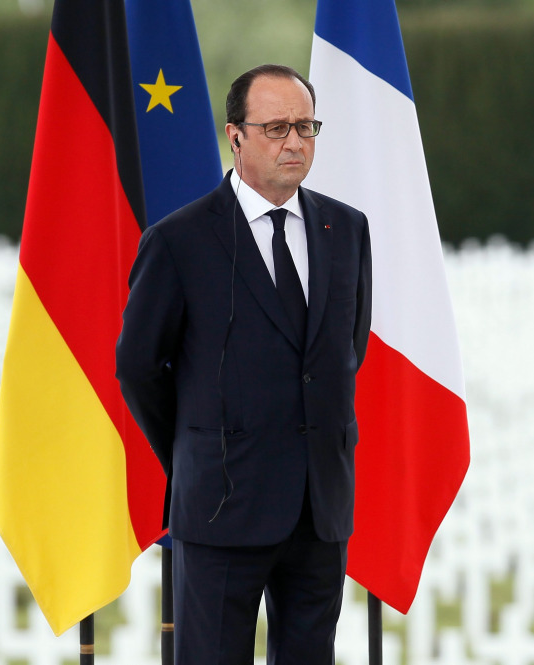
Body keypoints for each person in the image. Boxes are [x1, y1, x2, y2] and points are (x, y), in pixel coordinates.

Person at [116, 64, 372, 665]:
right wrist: (196, 445)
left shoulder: (347, 229)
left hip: (320, 507)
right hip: (222, 504)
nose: (295, 143)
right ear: (235, 136)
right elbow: (139, 368)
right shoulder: (180, 240)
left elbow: (344, 350)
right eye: (277, 127)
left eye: (306, 127)